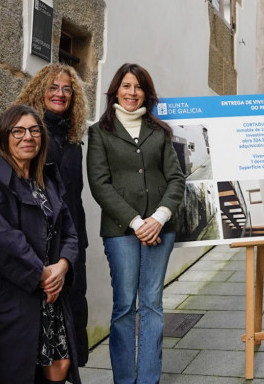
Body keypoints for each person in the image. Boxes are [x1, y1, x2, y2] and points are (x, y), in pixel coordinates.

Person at [86, 63, 185, 384]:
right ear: (116, 90)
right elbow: (99, 184)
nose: (132, 92)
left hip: (161, 229)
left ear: (146, 92)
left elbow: (176, 179)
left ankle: (148, 380)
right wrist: (135, 221)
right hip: (120, 232)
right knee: (126, 305)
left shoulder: (160, 131)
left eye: (138, 87)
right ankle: (125, 380)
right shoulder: (100, 132)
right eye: (126, 86)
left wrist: (158, 218)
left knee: (153, 305)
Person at [0, 104, 82, 384]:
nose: (28, 137)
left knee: (58, 369)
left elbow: (69, 231)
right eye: (18, 131)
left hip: (51, 295)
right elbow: (2, 239)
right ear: (3, 136)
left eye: (35, 130)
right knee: (16, 372)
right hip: (14, 295)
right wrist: (43, 274)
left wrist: (62, 266)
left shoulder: (47, 178)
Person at [14, 63, 90, 366]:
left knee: (69, 322)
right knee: (42, 329)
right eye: (53, 87)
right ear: (39, 90)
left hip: (71, 243)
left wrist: (77, 244)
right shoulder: (31, 134)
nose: (60, 94)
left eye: (67, 89)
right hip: (42, 242)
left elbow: (75, 196)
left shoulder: (72, 139)